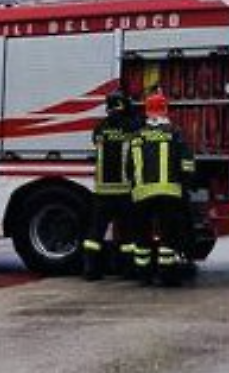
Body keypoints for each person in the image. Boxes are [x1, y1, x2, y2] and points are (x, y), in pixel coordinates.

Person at [128, 91, 197, 286]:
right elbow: (187, 164)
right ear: (165, 110)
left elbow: (128, 167)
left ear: (147, 112)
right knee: (168, 237)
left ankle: (143, 276)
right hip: (169, 195)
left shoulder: (136, 137)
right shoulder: (174, 134)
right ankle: (167, 276)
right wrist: (187, 184)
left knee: (142, 239)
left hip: (141, 195)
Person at [83, 89, 141, 280]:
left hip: (102, 192)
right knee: (127, 235)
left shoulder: (99, 128)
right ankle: (128, 270)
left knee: (95, 234)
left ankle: (91, 270)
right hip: (124, 192)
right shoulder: (131, 126)